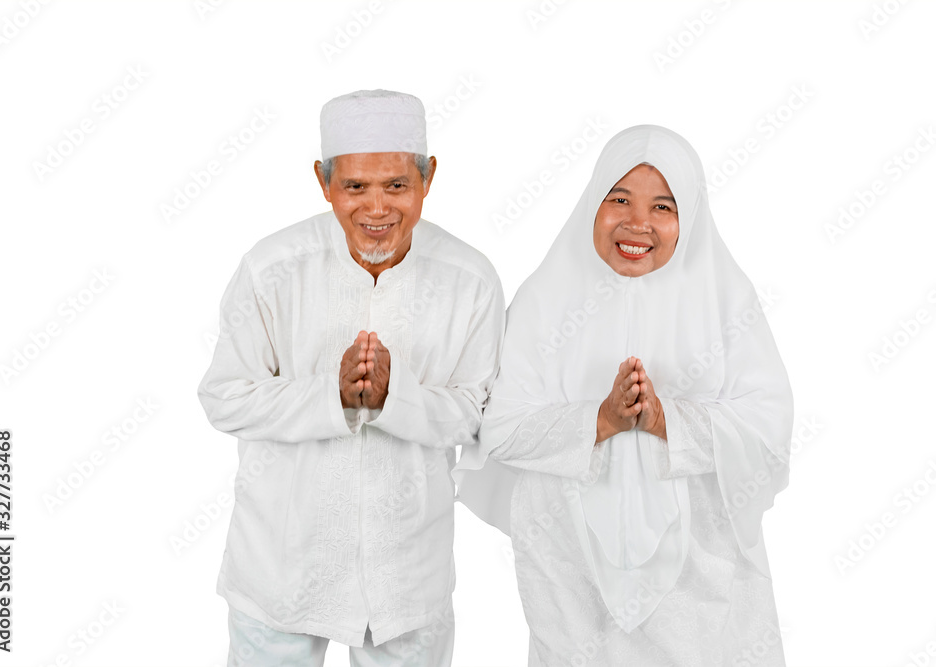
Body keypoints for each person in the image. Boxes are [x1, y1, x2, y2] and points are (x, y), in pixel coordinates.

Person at [455, 125, 793, 666]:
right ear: (593, 202)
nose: (637, 223)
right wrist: (602, 420)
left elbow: (768, 427)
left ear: (689, 217)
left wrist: (667, 422)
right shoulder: (544, 299)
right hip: (570, 573)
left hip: (701, 580)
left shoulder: (724, 298)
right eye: (619, 199)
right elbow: (499, 430)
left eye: (663, 205)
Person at [198, 89, 505, 666]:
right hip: (281, 568)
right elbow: (223, 397)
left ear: (428, 177)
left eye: (396, 186)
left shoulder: (470, 279)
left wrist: (398, 397)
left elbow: (479, 413)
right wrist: (327, 394)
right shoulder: (272, 268)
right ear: (322, 181)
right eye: (354, 188)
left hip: (406, 577)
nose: (377, 209)